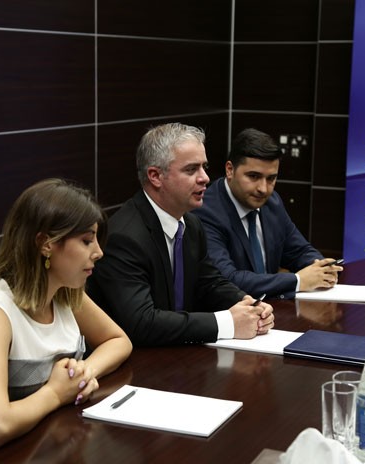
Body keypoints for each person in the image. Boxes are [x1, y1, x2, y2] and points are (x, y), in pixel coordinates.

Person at [0, 179, 132, 462]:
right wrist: (56, 393)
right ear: (46, 244)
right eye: (86, 240)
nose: (99, 252)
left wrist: (83, 374)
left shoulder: (65, 292)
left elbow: (118, 341)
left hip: (43, 442)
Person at [86, 123, 274, 346]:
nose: (205, 177)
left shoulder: (191, 224)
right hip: (137, 359)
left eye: (204, 167)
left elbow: (209, 282)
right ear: (155, 176)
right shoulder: (124, 237)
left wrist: (248, 304)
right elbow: (141, 323)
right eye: (191, 169)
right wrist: (227, 323)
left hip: (179, 352)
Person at [192, 128, 342, 300]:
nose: (263, 189)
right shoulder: (206, 212)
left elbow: (299, 250)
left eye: (271, 178)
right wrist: (298, 280)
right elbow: (227, 280)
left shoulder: (272, 202)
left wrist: (320, 267)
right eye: (253, 176)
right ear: (230, 170)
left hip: (270, 308)